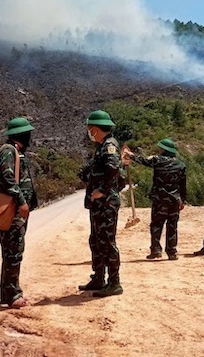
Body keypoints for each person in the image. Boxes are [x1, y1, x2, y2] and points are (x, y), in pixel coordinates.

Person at [77, 110, 124, 297]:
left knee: (107, 242)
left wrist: (102, 190)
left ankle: (114, 282)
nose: (89, 133)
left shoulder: (109, 145)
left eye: (90, 129)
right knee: (96, 241)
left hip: (106, 203)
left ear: (96, 128)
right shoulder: (103, 146)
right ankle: (98, 278)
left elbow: (112, 168)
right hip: (99, 204)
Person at [0, 117, 39, 309]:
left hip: (14, 212)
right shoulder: (8, 151)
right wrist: (21, 201)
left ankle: (7, 293)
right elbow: (7, 177)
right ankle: (13, 295)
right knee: (14, 253)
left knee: (11, 252)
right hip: (12, 212)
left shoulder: (14, 151)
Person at [125, 138, 187, 260]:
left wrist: (130, 155)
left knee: (156, 225)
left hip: (160, 199)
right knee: (172, 226)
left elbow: (143, 160)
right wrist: (183, 200)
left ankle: (156, 250)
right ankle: (172, 252)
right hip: (174, 200)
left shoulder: (158, 160)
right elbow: (183, 185)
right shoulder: (181, 165)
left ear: (164, 149)